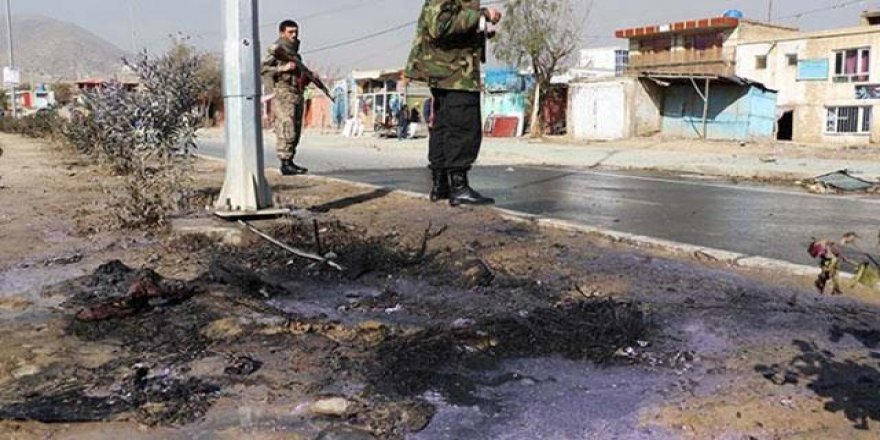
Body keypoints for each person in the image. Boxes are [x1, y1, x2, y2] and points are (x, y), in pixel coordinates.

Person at [405, 1, 502, 206]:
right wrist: (481, 14)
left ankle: (441, 185)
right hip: (455, 73)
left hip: (447, 71)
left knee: (443, 126)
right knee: (463, 127)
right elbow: (440, 26)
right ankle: (458, 187)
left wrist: (479, 27)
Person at [261, 19, 308, 176]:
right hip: (283, 91)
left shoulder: (295, 54)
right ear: (282, 33)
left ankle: (291, 160)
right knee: (286, 126)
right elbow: (263, 69)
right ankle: (285, 162)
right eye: (290, 32)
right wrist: (283, 68)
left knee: (296, 127)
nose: (294, 35)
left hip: (296, 92)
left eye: (296, 32)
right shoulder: (276, 50)